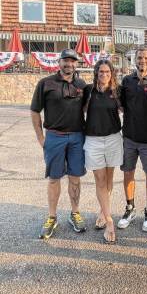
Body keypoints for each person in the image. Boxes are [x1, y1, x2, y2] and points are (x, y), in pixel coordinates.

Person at [31, 49, 87, 239]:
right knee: (54, 178)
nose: (68, 64)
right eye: (65, 60)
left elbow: (89, 108)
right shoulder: (45, 83)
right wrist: (41, 138)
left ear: (76, 64)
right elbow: (34, 111)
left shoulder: (82, 85)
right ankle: (52, 217)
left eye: (72, 61)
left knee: (75, 178)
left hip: (77, 137)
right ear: (59, 62)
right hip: (54, 137)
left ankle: (75, 213)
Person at [118, 47, 147, 232]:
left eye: (145, 58)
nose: (142, 60)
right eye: (139, 57)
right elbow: (119, 104)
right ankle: (130, 208)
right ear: (134, 59)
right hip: (128, 137)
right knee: (128, 173)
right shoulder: (127, 81)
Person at [83, 59, 123, 244]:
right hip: (93, 140)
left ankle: (102, 211)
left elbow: (128, 109)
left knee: (109, 179)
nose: (104, 75)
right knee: (100, 180)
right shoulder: (88, 91)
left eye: (107, 72)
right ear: (96, 73)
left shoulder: (117, 92)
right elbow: (78, 110)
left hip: (113, 138)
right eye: (101, 72)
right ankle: (109, 221)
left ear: (112, 73)